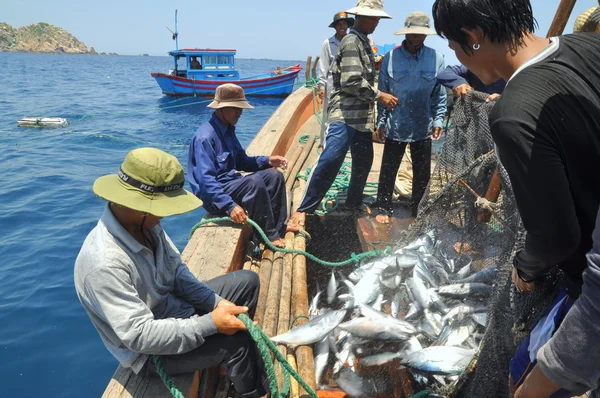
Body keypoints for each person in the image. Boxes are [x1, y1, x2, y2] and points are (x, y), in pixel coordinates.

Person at [432, 0, 600, 396]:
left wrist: (525, 268)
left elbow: (557, 238)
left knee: (522, 376)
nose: (457, 57)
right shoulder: (588, 48)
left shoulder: (513, 112)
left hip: (588, 286)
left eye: (454, 47)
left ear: (472, 38)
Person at [74, 148, 268, 397]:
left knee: (247, 282)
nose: (166, 214)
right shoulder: (103, 263)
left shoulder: (147, 226)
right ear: (139, 206)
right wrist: (210, 323)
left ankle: (227, 361)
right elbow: (140, 336)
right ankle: (250, 391)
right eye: (163, 207)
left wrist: (218, 304)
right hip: (149, 352)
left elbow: (177, 273)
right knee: (238, 341)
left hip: (175, 310)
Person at [289, 0, 399, 227]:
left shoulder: (365, 43)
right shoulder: (351, 42)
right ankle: (304, 209)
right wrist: (380, 96)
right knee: (331, 159)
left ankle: (352, 202)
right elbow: (351, 81)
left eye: (378, 19)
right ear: (358, 18)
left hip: (361, 119)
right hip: (344, 114)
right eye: (372, 18)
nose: (376, 23)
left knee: (363, 161)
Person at [187, 83, 293, 248]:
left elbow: (241, 161)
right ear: (221, 108)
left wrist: (267, 161)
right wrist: (230, 206)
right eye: (236, 108)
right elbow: (206, 181)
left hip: (231, 185)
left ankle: (279, 227)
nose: (240, 112)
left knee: (274, 176)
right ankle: (268, 236)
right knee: (254, 183)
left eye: (241, 108)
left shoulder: (228, 130)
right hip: (216, 197)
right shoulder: (205, 138)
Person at [373, 11, 447, 224]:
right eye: (413, 34)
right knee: (388, 168)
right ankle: (384, 207)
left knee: (422, 172)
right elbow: (383, 92)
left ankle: (419, 210)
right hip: (396, 124)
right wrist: (381, 123)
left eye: (421, 34)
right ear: (406, 33)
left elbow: (439, 95)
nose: (417, 38)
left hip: (423, 124)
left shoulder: (437, 58)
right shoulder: (390, 58)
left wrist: (438, 120)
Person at [317, 12, 355, 100]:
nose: (342, 26)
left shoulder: (353, 42)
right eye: (339, 24)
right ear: (335, 27)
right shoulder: (328, 43)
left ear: (348, 26)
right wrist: (322, 87)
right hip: (332, 88)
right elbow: (323, 67)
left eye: (344, 23)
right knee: (330, 112)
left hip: (350, 88)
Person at [437, 64, 505, 101]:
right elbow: (443, 74)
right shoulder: (473, 68)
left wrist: (504, 99)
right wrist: (459, 82)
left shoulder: (512, 72)